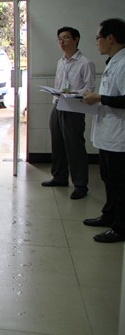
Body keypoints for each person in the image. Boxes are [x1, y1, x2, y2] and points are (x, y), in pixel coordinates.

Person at [82, 18, 125, 243]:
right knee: (108, 179)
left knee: (119, 184)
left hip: (119, 137)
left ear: (111, 38)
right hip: (108, 135)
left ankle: (120, 227)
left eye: (98, 38)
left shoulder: (124, 63)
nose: (96, 42)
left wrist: (99, 98)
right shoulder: (113, 61)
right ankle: (109, 215)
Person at [42, 26, 95, 200]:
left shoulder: (85, 63)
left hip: (73, 108)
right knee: (57, 144)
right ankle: (60, 177)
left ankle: (80, 185)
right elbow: (60, 85)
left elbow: (89, 88)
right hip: (58, 105)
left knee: (75, 147)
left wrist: (72, 93)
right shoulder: (61, 62)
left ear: (76, 39)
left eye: (65, 38)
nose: (62, 42)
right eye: (59, 39)